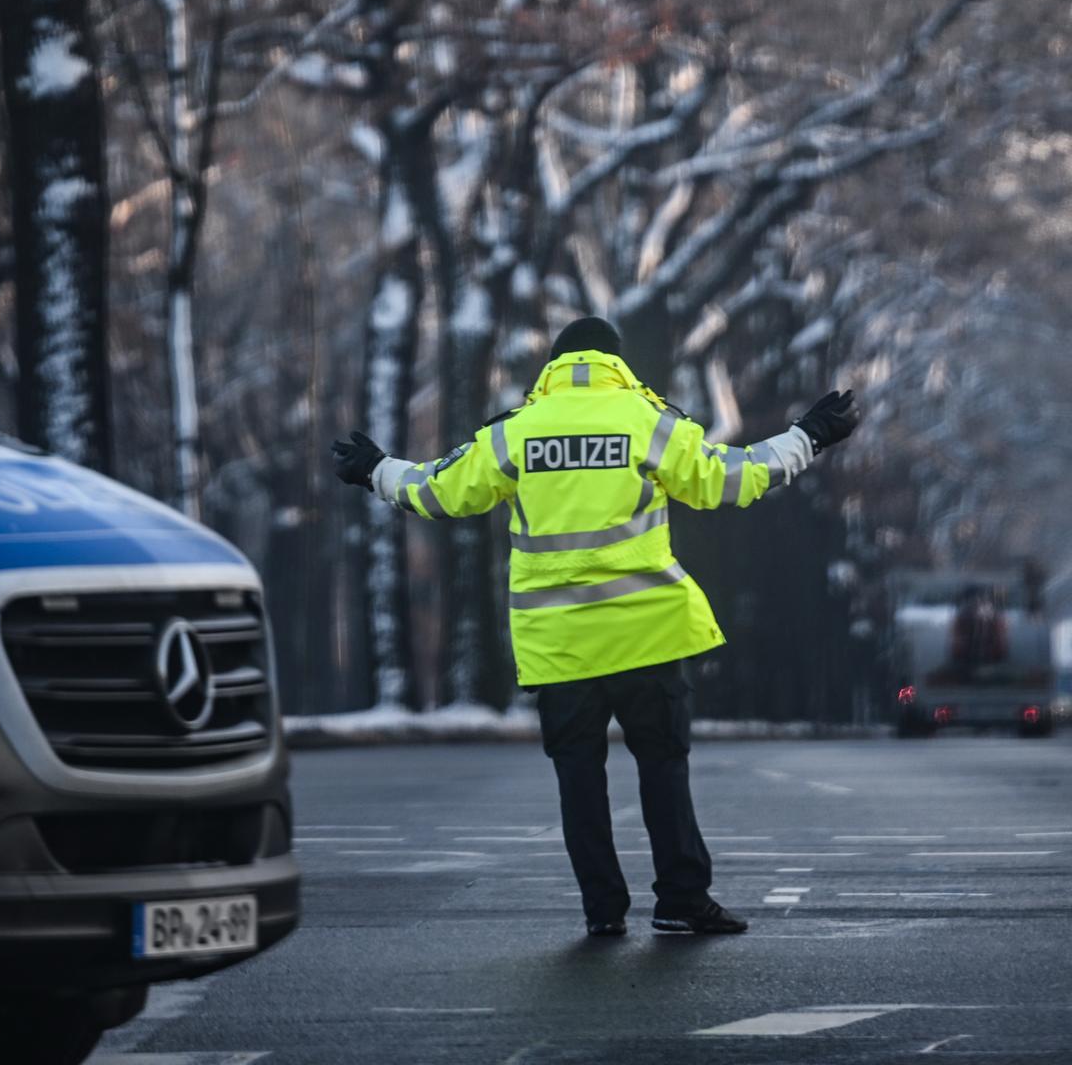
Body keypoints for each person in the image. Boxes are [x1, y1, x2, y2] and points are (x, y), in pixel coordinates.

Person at [332, 316, 860, 938]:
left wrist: (375, 470)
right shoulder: (647, 421)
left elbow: (440, 490)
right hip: (648, 633)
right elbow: (731, 479)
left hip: (558, 645)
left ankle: (603, 911)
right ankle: (682, 900)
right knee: (663, 769)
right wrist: (809, 435)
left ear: (553, 366)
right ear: (617, 363)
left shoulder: (516, 432)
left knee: (579, 781)